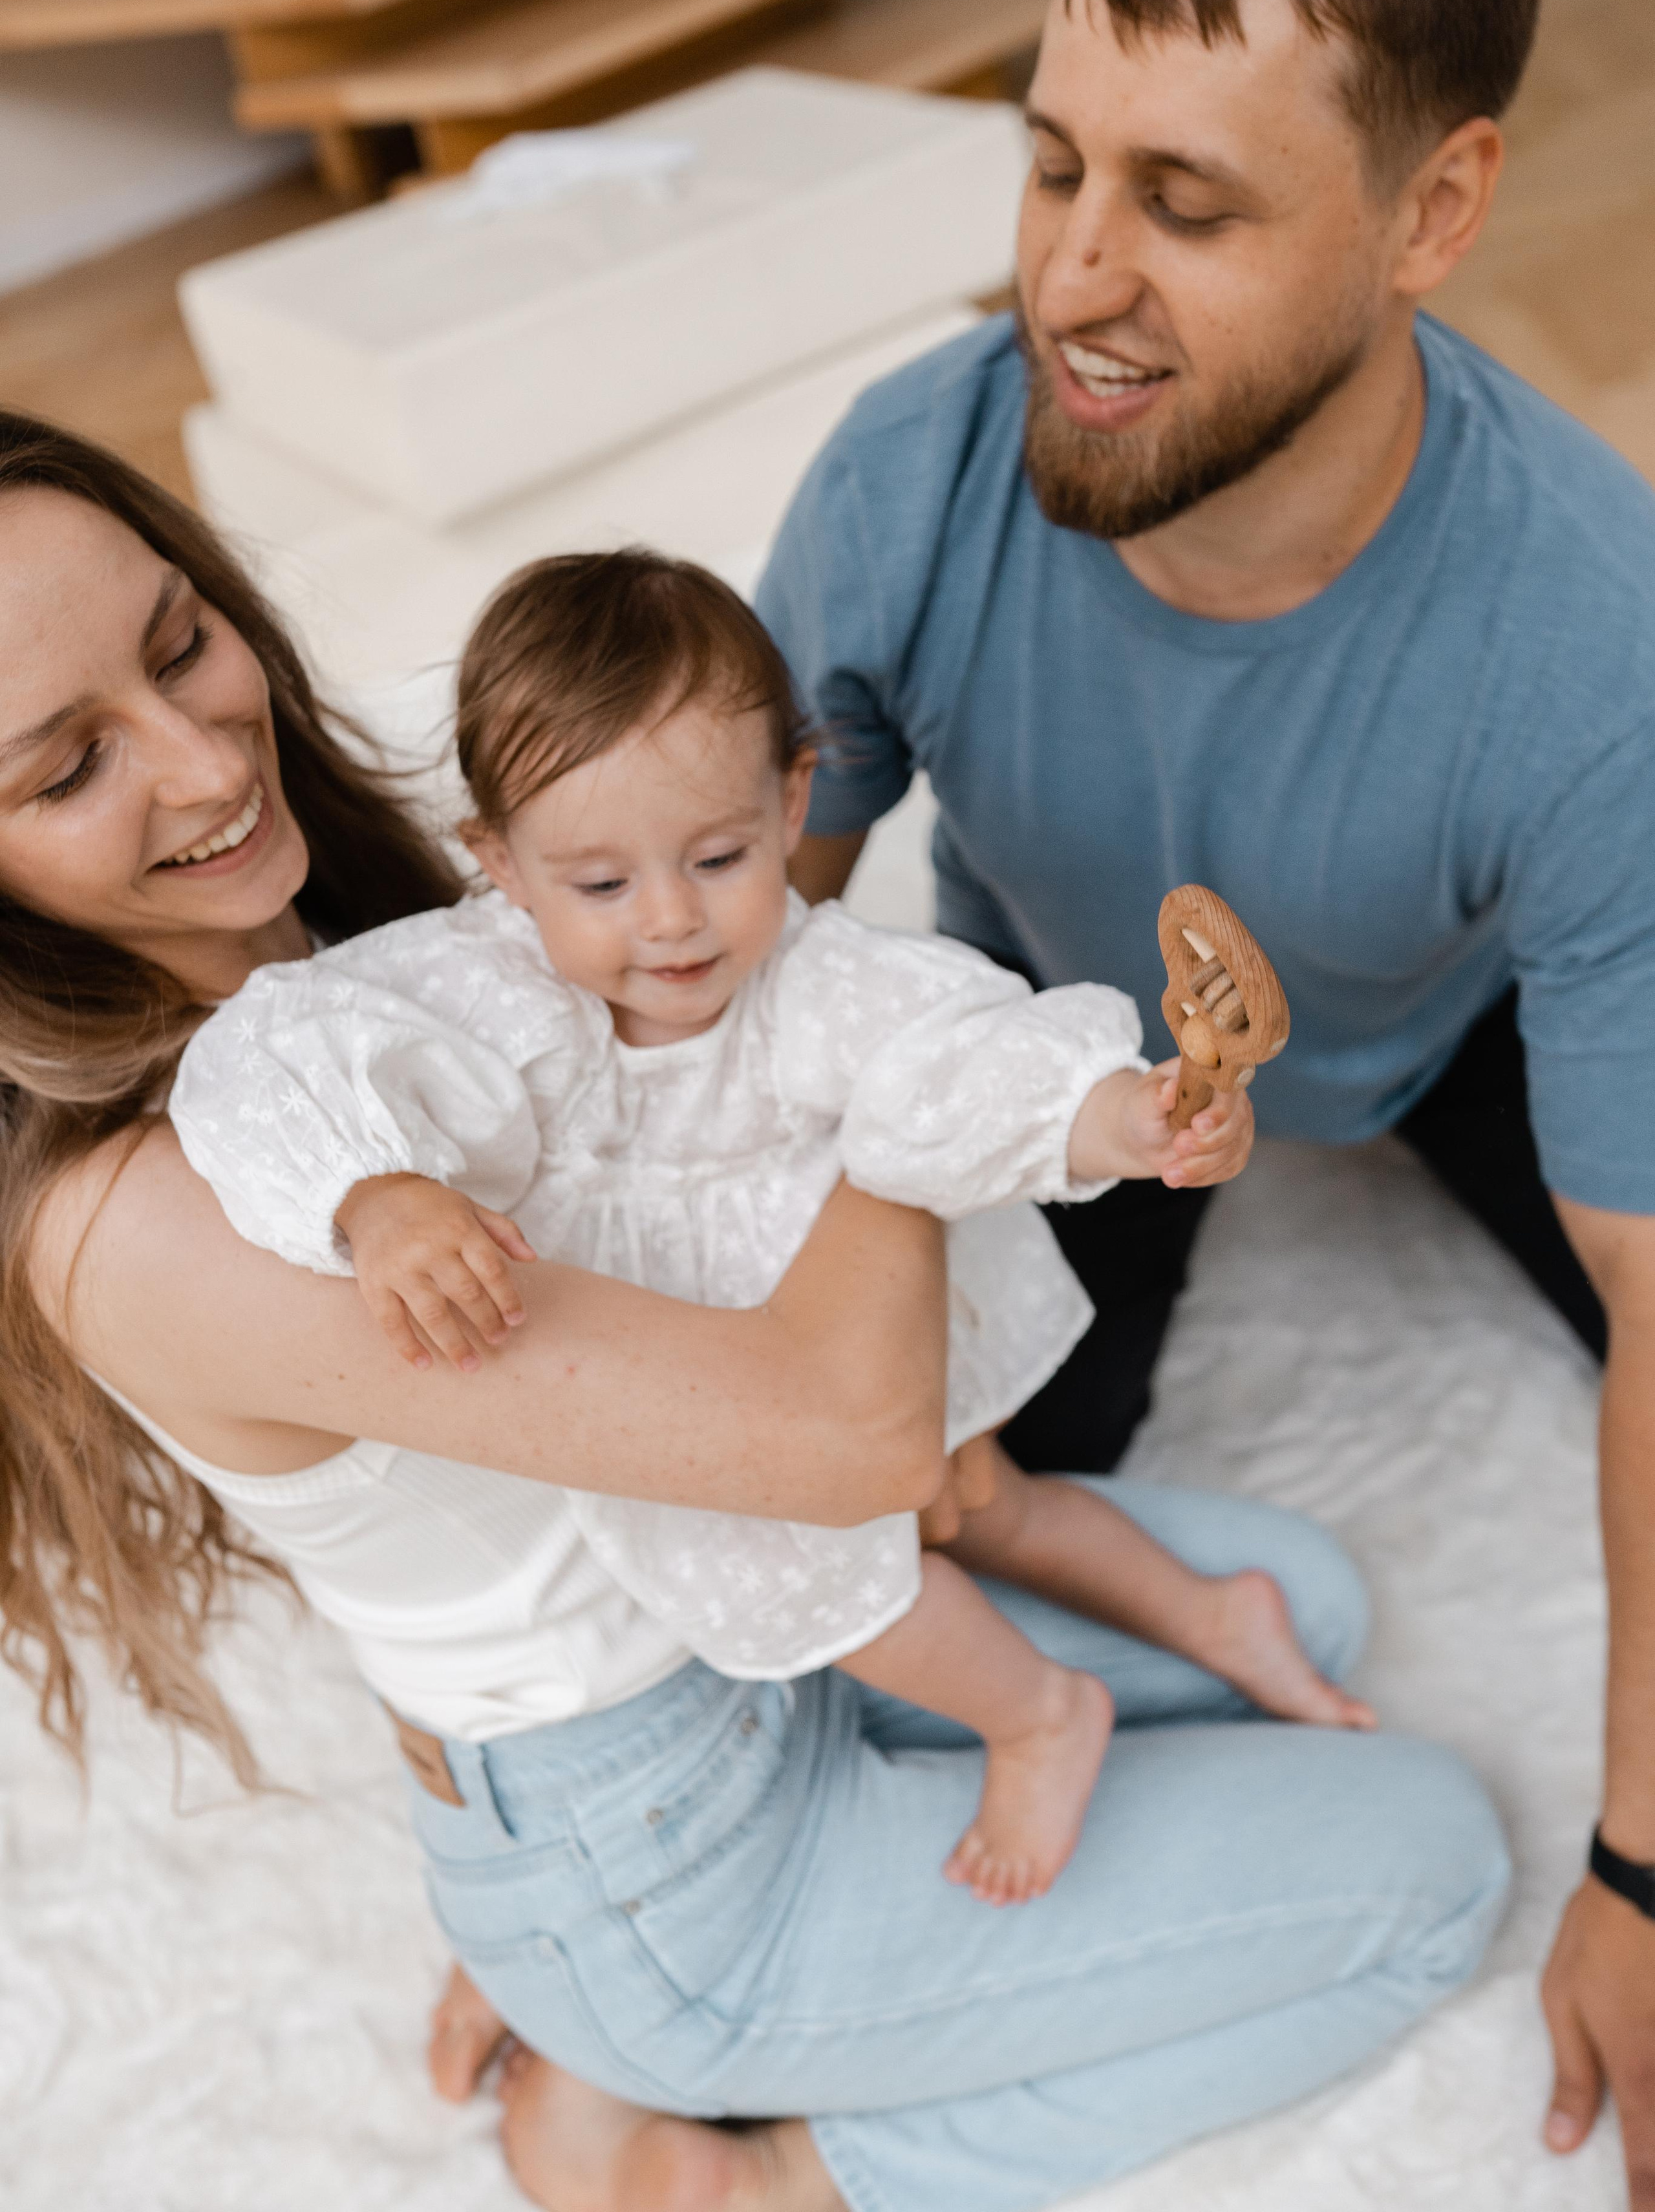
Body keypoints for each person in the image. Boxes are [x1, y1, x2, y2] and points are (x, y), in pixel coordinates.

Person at [0, 406, 1508, 2211]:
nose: (198, 761)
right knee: (1435, 1871)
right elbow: (847, 1429)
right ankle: (747, 2164)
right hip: (666, 1827)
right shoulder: (161, 1210)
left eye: (179, 644)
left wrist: (988, 1070)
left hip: (744, 1630)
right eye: (66, 765)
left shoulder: (371, 942)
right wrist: (864, 1065)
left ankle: (591, 1988)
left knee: (1310, 1605)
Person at [754, 0, 1655, 2204]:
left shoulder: (1594, 644)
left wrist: (1650, 1874)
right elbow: (701, 1019)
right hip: (1048, 1023)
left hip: (1445, 1015)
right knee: (942, 1508)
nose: (1066, 277)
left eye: (1187, 202)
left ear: (1435, 208)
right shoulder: (906, 486)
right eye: (1054, 165)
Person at [169, 546, 1372, 1911]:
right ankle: (1205, 1620)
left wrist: (1127, 1114)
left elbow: (962, 1063)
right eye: (601, 886)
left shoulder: (817, 981)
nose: (673, 921)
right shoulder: (473, 984)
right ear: (497, 864)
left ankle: (1043, 1708)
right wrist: (377, 1192)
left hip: (851, 1330)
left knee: (925, 1536)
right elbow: (278, 1048)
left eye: (721, 856)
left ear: (793, 798)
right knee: (935, 1525)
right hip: (701, 1366)